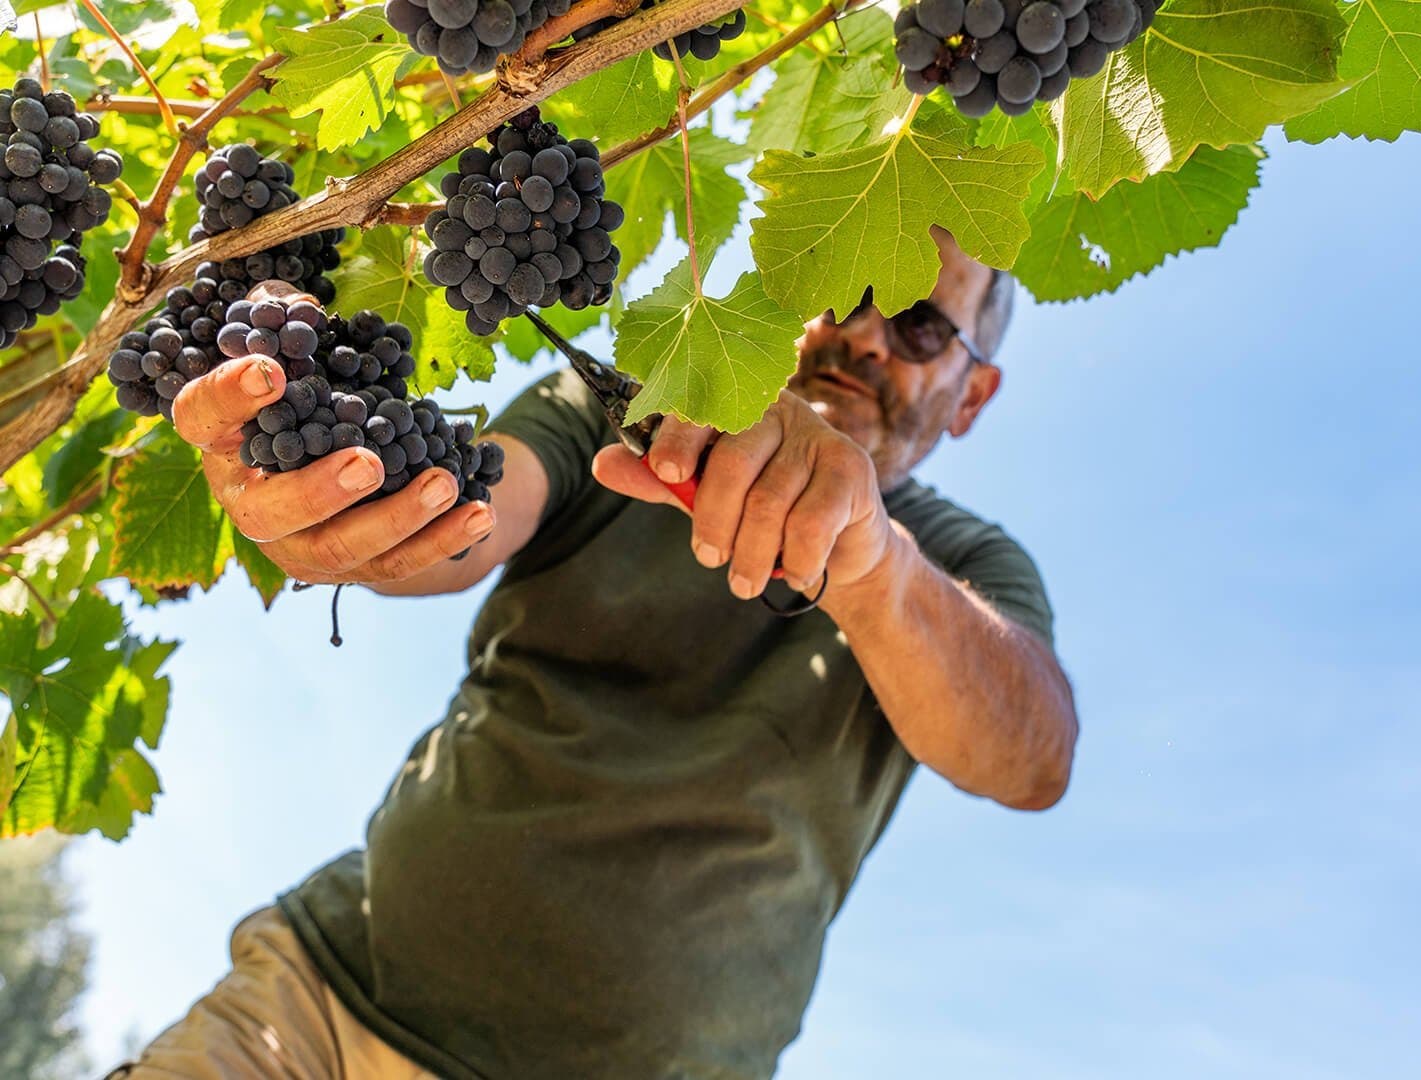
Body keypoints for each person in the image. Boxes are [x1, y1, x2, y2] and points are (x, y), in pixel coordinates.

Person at [113, 227, 1079, 1079]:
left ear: (972, 396)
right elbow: (468, 522)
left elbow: (1032, 760)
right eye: (856, 288)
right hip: (317, 1009)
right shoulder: (636, 408)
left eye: (919, 326)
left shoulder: (966, 566)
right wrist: (341, 485)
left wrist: (875, 572)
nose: (868, 335)